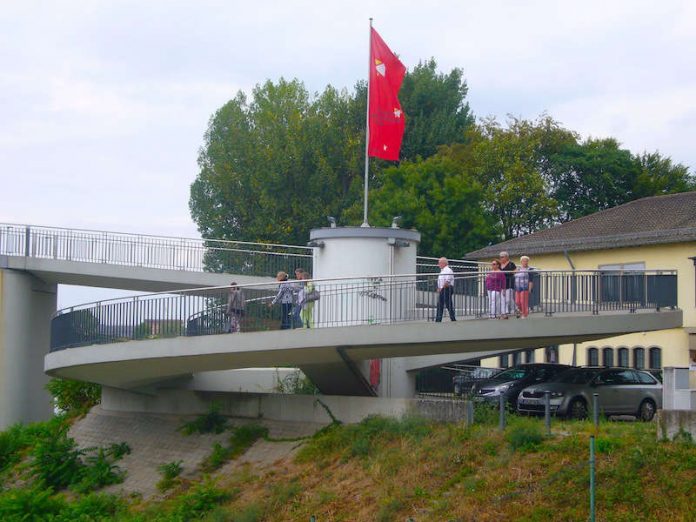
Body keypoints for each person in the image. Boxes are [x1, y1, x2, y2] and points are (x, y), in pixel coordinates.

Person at [435, 257, 456, 322]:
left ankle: (439, 319)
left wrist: (441, 288)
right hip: (444, 289)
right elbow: (441, 281)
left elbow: (447, 281)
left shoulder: (448, 270)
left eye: (439, 263)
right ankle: (451, 318)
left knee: (445, 304)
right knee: (446, 304)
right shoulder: (443, 271)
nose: (438, 264)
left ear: (443, 263)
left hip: (447, 288)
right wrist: (439, 288)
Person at [499, 251, 517, 319]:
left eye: (502, 257)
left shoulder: (511, 264)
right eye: (500, 257)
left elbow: (515, 271)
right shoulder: (500, 264)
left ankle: (516, 309)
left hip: (509, 282)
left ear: (506, 257)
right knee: (503, 299)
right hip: (501, 283)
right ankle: (505, 312)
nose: (501, 258)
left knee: (508, 299)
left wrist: (509, 272)